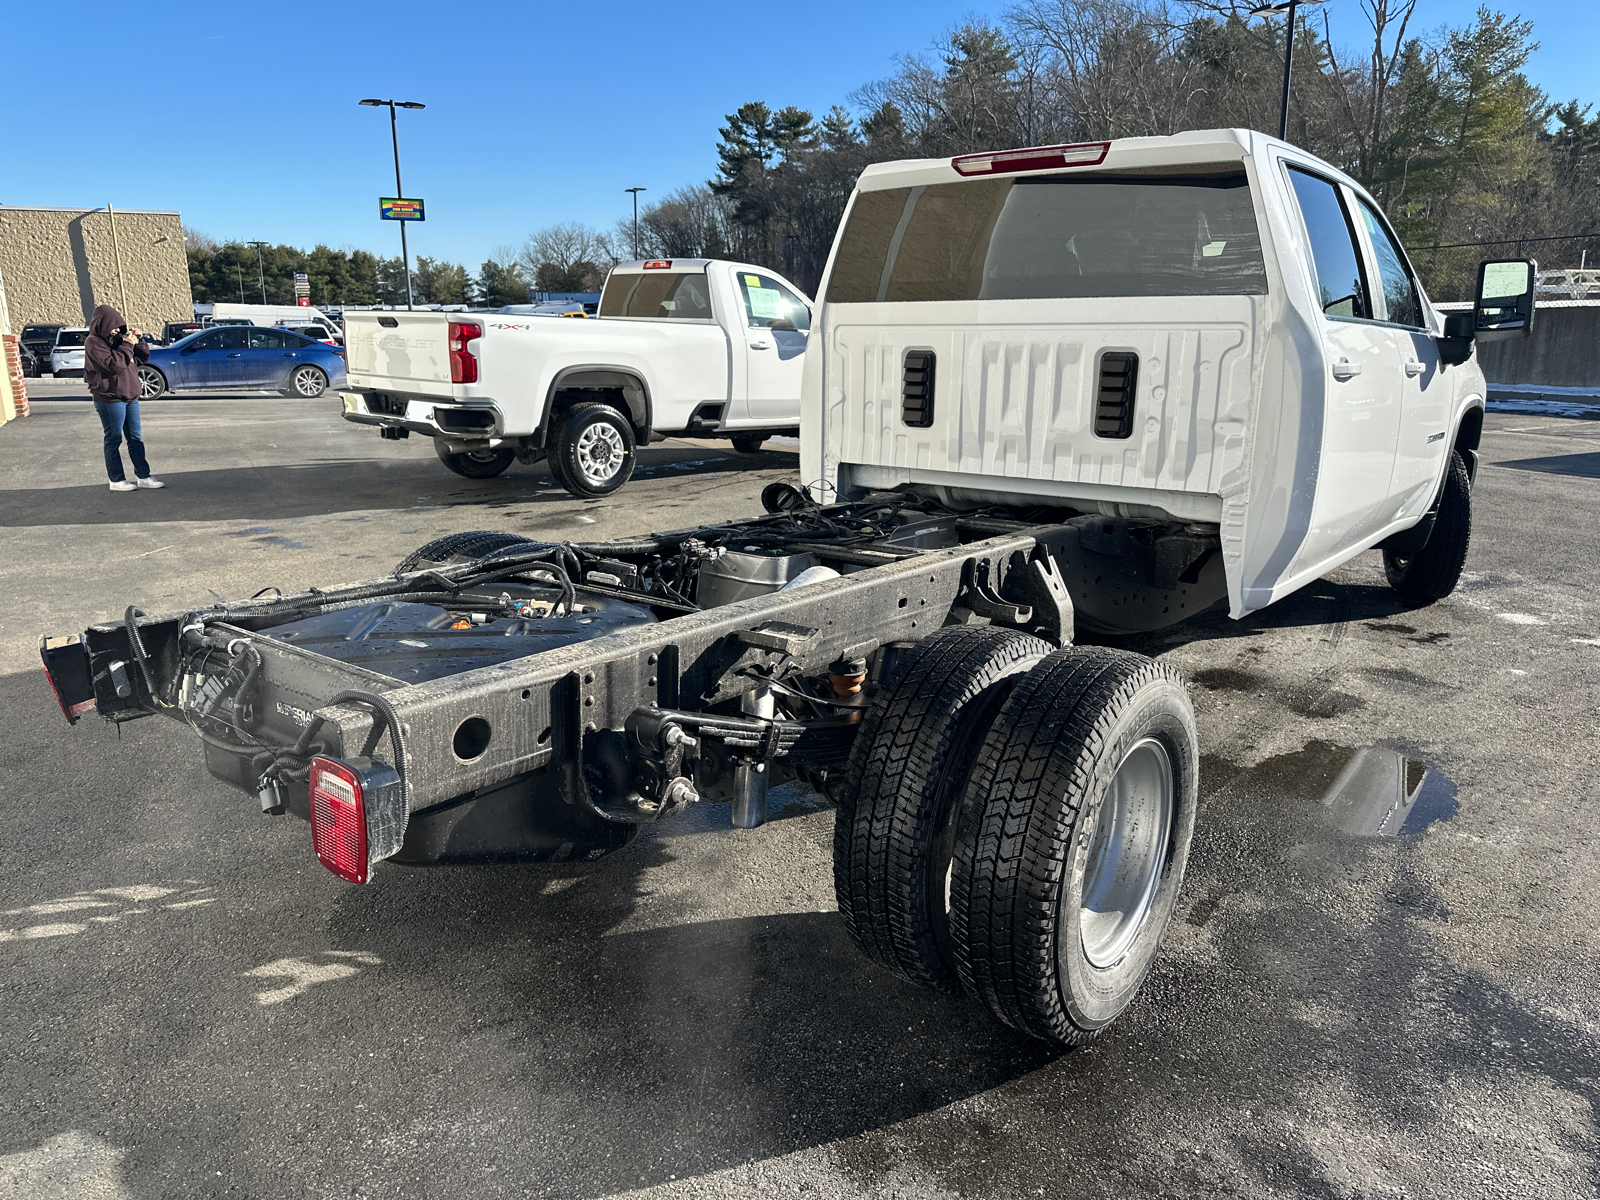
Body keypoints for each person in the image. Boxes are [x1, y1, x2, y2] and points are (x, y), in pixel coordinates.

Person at [84, 304, 164, 491]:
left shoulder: (118, 340)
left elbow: (141, 358)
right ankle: (116, 480)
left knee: (135, 438)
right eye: (112, 326)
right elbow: (114, 365)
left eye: (119, 327)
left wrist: (139, 340)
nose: (116, 330)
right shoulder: (93, 342)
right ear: (101, 324)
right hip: (109, 398)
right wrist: (127, 345)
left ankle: (143, 476)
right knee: (114, 438)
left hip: (130, 396)